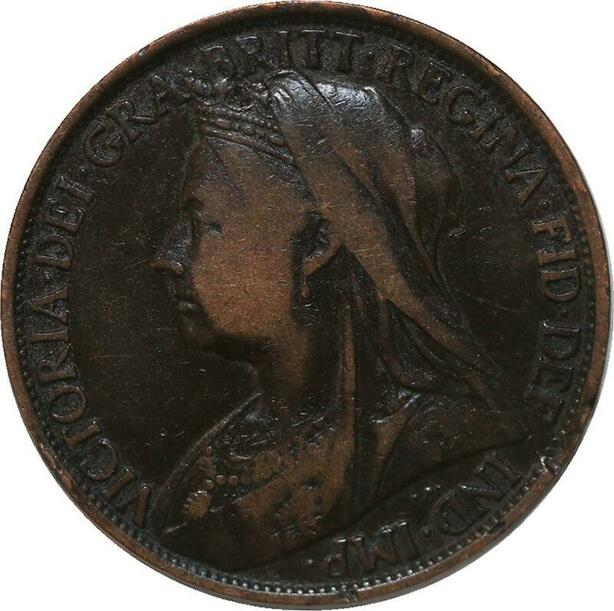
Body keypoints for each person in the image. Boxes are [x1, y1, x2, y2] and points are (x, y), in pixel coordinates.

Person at [151, 70, 527, 570]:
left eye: (203, 224)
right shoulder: (223, 450)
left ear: (316, 244)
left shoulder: (444, 443)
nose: (167, 257)